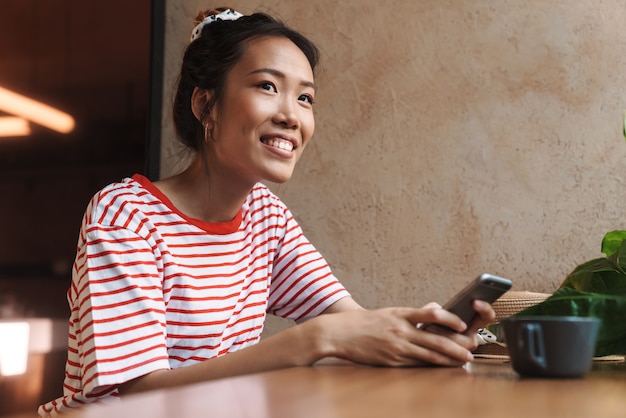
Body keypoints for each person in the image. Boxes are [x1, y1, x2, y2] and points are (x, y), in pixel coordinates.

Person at [39, 7, 495, 417]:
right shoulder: (124, 216)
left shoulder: (266, 218)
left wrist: (423, 334)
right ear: (205, 104)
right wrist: (312, 341)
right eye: (267, 86)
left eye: (305, 98)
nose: (291, 116)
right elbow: (142, 393)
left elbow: (349, 323)